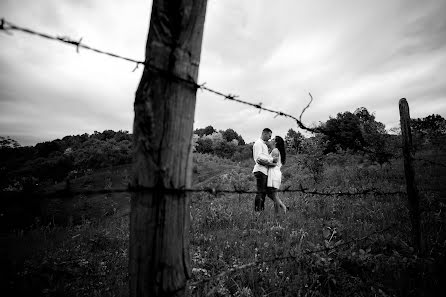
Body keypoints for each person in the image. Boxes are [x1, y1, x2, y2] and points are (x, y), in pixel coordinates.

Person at [252, 128, 274, 211]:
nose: (270, 138)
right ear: (264, 133)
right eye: (269, 135)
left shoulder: (264, 144)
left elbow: (265, 158)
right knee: (260, 192)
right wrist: (270, 163)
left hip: (264, 171)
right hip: (260, 170)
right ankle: (258, 211)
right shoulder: (258, 144)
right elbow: (259, 159)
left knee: (263, 192)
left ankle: (261, 210)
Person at [267, 136, 287, 214]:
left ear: (276, 142)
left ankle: (278, 213)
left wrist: (264, 163)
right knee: (271, 194)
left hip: (273, 173)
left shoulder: (275, 150)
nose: (271, 140)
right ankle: (282, 207)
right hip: (275, 173)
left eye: (273, 139)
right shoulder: (276, 150)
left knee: (274, 195)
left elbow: (273, 164)